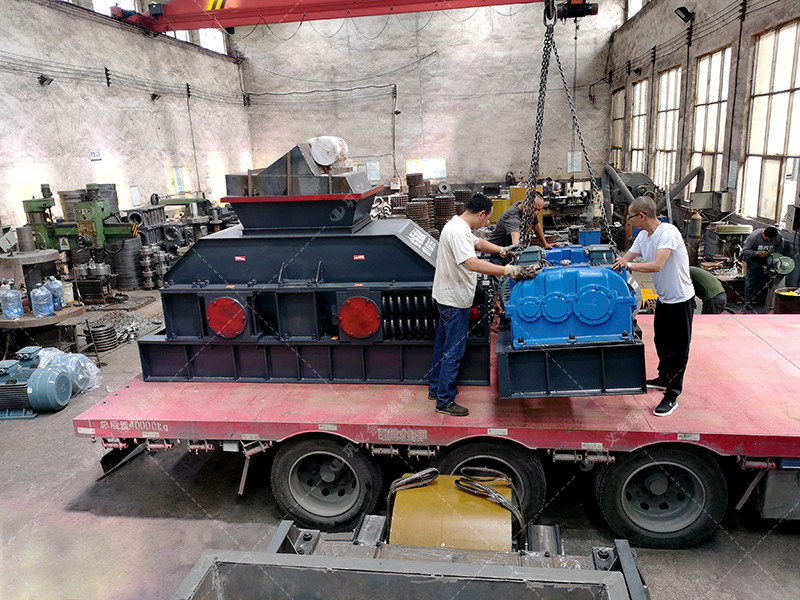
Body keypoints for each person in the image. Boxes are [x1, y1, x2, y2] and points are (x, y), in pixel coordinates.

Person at [429, 193, 533, 417]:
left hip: (446, 296)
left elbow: (477, 242)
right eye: (487, 219)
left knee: (442, 346)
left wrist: (501, 250)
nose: (485, 224)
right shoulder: (457, 231)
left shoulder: (457, 224)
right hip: (454, 301)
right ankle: (444, 401)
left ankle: (436, 389)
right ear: (481, 214)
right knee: (453, 351)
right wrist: (508, 270)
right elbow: (472, 263)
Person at [612, 197, 695, 417]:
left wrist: (628, 265)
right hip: (665, 300)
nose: (628, 221)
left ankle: (672, 394)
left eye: (630, 217)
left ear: (641, 216)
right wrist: (613, 266)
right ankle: (663, 378)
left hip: (680, 300)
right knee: (662, 342)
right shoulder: (643, 236)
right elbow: (626, 259)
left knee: (678, 349)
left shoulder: (668, 233)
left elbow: (657, 265)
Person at [487, 191, 553, 256]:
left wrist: (545, 244)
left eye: (539, 210)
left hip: (507, 251)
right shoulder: (513, 217)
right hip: (496, 253)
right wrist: (518, 251)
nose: (536, 213)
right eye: (535, 209)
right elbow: (515, 236)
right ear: (526, 203)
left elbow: (536, 227)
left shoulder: (527, 208)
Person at [742, 227, 784, 308]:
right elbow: (745, 250)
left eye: (771, 240)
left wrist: (773, 257)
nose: (768, 241)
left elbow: (779, 250)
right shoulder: (754, 237)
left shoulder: (778, 237)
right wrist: (756, 253)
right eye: (766, 239)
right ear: (763, 233)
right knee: (751, 280)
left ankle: (762, 301)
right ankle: (748, 301)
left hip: (767, 259)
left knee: (764, 280)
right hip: (753, 259)